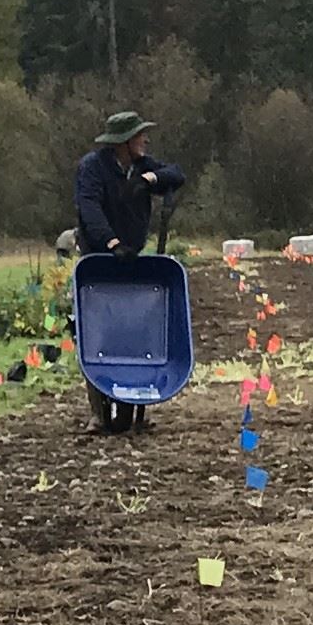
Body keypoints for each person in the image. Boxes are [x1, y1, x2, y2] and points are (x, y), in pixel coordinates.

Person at [73, 111, 188, 435]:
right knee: (97, 334)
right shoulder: (92, 168)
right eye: (139, 136)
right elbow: (89, 209)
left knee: (132, 332)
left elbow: (176, 175)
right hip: (99, 260)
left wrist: (148, 181)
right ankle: (99, 413)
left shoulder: (141, 166)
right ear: (124, 142)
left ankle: (128, 407)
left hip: (131, 260)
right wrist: (112, 243)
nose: (145, 140)